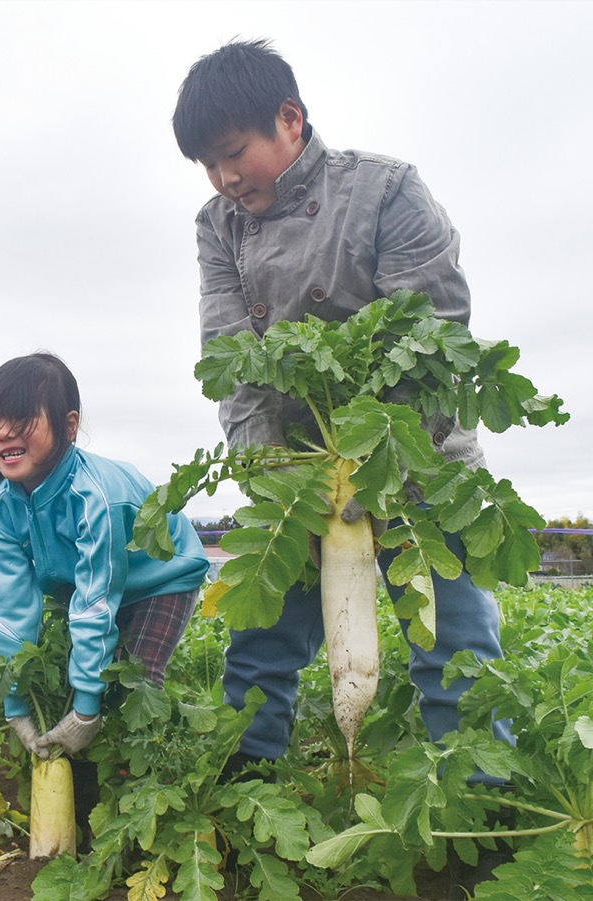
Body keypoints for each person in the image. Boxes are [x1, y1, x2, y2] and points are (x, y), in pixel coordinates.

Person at [171, 39, 511, 894]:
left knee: (455, 643)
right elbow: (233, 362)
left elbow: (435, 337)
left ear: (290, 120)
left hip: (417, 463)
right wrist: (278, 476)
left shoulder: (387, 190)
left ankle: (481, 825)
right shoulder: (218, 228)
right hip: (296, 477)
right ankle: (250, 798)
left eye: (233, 155)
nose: (222, 179)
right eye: (207, 165)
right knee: (260, 638)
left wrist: (368, 463)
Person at [0, 353, 210, 847]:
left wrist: (89, 710)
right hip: (86, 585)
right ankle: (87, 810)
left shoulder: (91, 494)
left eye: (21, 419)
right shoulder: (2, 508)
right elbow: (8, 608)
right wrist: (17, 703)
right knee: (84, 681)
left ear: (69, 425)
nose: (4, 433)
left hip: (162, 577)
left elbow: (98, 602)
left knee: (132, 683)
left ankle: (142, 817)